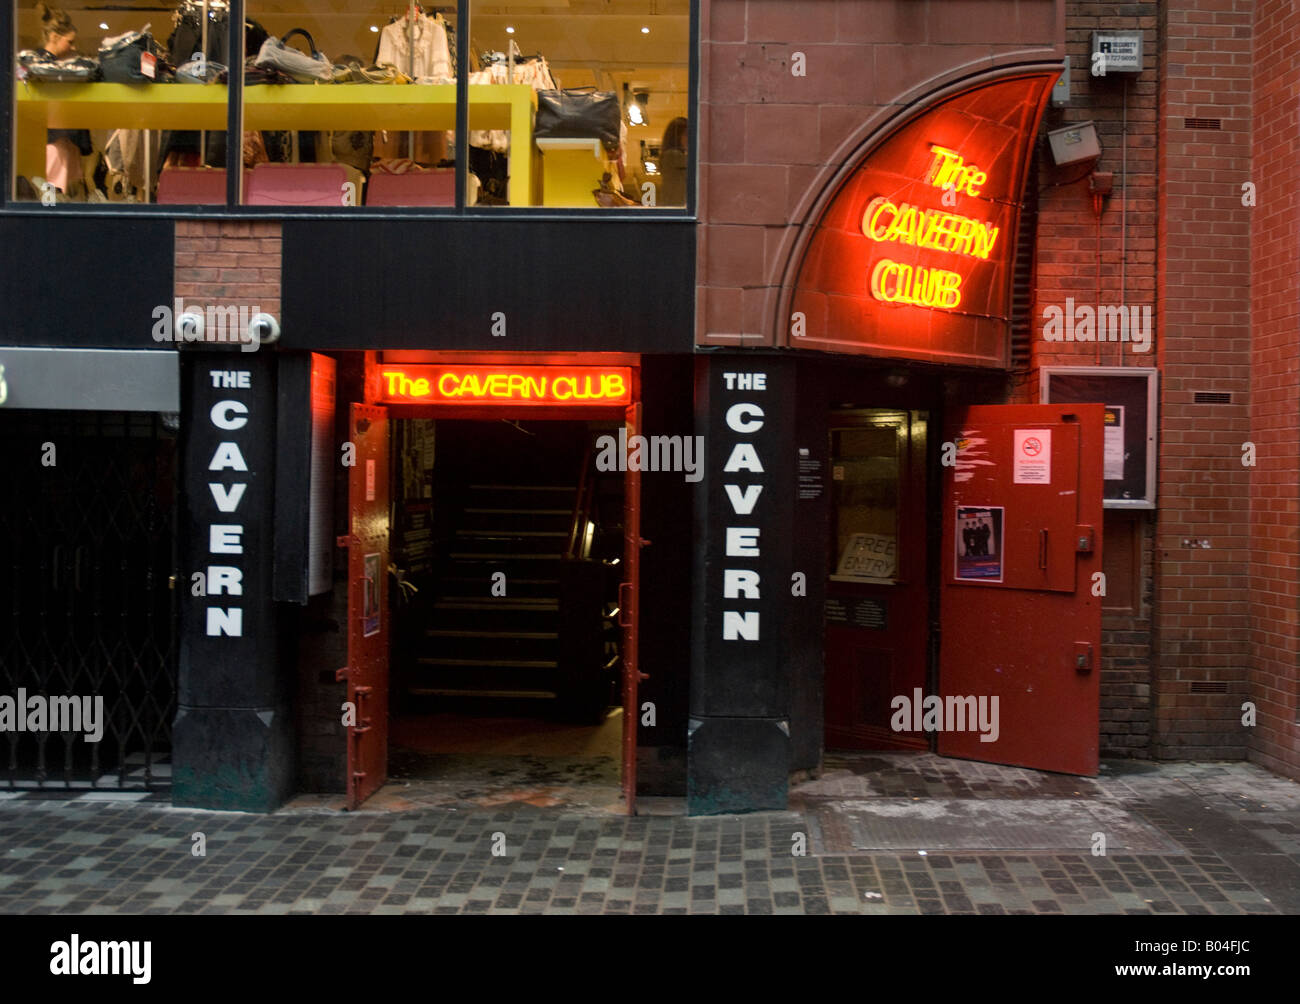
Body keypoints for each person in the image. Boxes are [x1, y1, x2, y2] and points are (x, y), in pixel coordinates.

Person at [35, 3, 94, 194]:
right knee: (53, 191)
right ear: (54, 37)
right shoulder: (40, 67)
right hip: (57, 135)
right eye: (69, 42)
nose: (73, 47)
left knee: (58, 190)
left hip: (63, 136)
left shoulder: (49, 68)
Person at [658, 116, 688, 207]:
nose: (690, 139)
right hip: (677, 208)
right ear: (677, 136)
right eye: (686, 134)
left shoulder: (669, 156)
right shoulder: (673, 155)